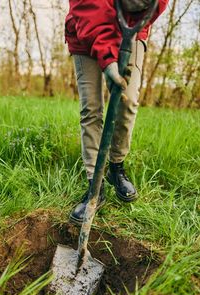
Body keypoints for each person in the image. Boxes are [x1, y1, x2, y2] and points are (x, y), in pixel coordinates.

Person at [65, 0, 169, 225]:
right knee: (91, 109)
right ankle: (95, 185)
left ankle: (115, 167)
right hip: (86, 31)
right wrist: (107, 57)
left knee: (128, 101)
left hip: (130, 31)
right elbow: (88, 5)